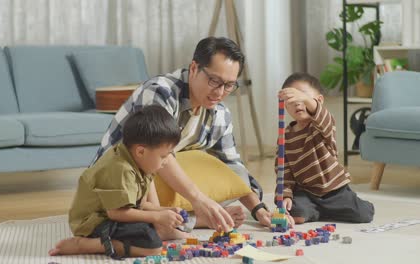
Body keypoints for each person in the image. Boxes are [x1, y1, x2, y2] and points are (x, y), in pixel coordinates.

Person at [92, 37, 272, 230]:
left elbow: (232, 165)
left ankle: (186, 216)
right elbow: (153, 153)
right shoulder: (160, 92)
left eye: (229, 85)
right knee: (148, 187)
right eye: (214, 81)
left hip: (160, 174)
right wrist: (199, 199)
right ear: (194, 68)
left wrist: (259, 209)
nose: (220, 92)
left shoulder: (220, 114)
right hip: (123, 176)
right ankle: (192, 219)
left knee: (235, 175)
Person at [49, 105, 191, 258]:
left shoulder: (141, 163)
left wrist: (164, 211)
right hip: (94, 222)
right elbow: (116, 212)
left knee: (152, 231)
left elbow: (141, 205)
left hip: (114, 215)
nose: (166, 162)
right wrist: (157, 217)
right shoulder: (121, 169)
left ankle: (109, 240)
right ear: (141, 151)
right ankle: (85, 244)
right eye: (163, 156)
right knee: (152, 247)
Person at [276, 72, 374, 224]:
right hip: (307, 192)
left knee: (363, 215)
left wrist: (305, 100)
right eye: (291, 100)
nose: (297, 103)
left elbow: (324, 117)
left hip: (335, 190)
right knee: (296, 214)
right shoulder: (285, 137)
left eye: (302, 98)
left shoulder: (322, 126)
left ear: (318, 101)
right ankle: (315, 211)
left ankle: (330, 209)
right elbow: (284, 171)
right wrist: (286, 195)